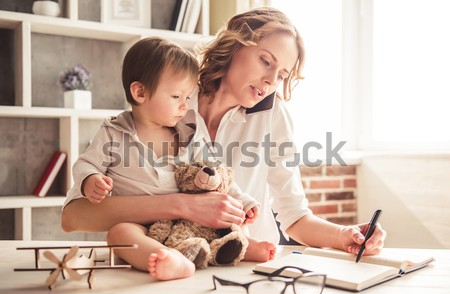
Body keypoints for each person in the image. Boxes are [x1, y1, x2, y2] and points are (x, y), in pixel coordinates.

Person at [62, 7, 385, 268]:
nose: (271, 80)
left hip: (249, 267)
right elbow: (75, 215)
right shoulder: (173, 97)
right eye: (266, 61)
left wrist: (345, 235)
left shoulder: (274, 116)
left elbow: (294, 215)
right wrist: (185, 206)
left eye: (282, 74)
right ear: (235, 44)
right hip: (177, 262)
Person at [63, 36, 275, 281]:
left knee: (225, 221)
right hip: (141, 224)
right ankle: (167, 259)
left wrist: (244, 202)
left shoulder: (190, 132)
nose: (185, 106)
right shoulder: (113, 132)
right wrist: (91, 179)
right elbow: (85, 163)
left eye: (187, 97)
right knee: (118, 235)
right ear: (140, 92)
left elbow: (217, 173)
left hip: (189, 224)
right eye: (176, 97)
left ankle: (245, 246)